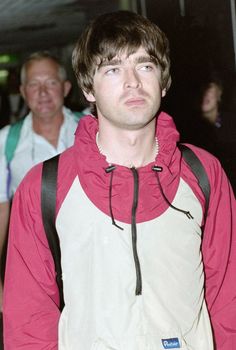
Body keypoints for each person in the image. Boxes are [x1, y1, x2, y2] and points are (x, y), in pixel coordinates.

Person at [3, 10, 236, 350]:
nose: (132, 82)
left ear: (164, 81)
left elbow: (227, 296)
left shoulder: (203, 173)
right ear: (88, 88)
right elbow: (28, 322)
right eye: (113, 69)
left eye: (145, 65)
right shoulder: (45, 187)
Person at [0, 51, 79, 313]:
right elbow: (1, 208)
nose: (43, 92)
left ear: (66, 87)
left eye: (51, 83)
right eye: (34, 84)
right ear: (23, 91)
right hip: (35, 262)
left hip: (89, 253)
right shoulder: (6, 142)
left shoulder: (90, 129)